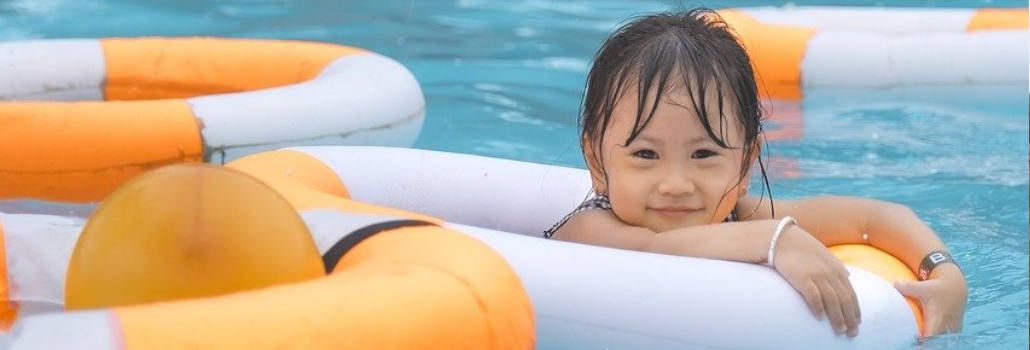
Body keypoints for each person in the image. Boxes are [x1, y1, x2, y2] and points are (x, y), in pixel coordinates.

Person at [544, 8, 967, 338]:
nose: (676, 185)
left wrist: (944, 272)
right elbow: (653, 250)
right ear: (597, 162)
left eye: (704, 153)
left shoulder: (740, 213)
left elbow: (873, 220)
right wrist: (772, 239)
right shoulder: (589, 229)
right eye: (646, 154)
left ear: (746, 162)